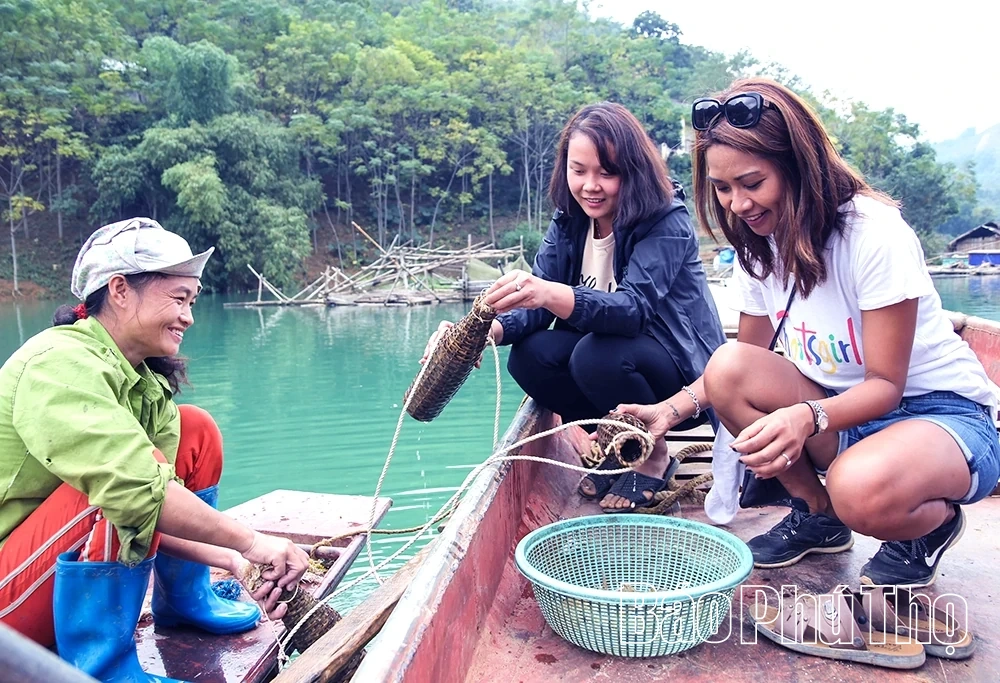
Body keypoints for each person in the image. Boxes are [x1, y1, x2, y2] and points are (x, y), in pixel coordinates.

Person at [618, 78, 1000, 586]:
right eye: (723, 188)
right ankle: (820, 515)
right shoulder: (760, 247)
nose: (738, 204)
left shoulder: (874, 235)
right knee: (729, 368)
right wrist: (668, 410)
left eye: (753, 184)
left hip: (941, 416)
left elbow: (886, 385)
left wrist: (807, 416)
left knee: (858, 488)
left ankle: (929, 528)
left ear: (799, 167)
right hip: (840, 413)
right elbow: (741, 364)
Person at [0, 218, 310, 681]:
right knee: (117, 483)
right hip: (9, 607)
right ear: (120, 290)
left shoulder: (144, 381)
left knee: (195, 430)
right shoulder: (57, 364)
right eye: (178, 299)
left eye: (192, 301)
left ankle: (185, 601)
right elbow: (135, 492)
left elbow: (159, 507)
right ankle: (104, 667)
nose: (188, 315)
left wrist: (231, 558)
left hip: (49, 571)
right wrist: (252, 540)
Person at [422, 102, 726, 512]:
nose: (590, 186)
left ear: (632, 171)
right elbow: (535, 310)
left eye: (607, 173)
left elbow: (633, 309)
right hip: (611, 367)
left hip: (678, 378)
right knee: (530, 357)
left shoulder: (664, 219)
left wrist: (550, 293)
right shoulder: (569, 220)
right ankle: (617, 444)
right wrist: (482, 334)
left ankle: (655, 454)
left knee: (595, 353)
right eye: (579, 170)